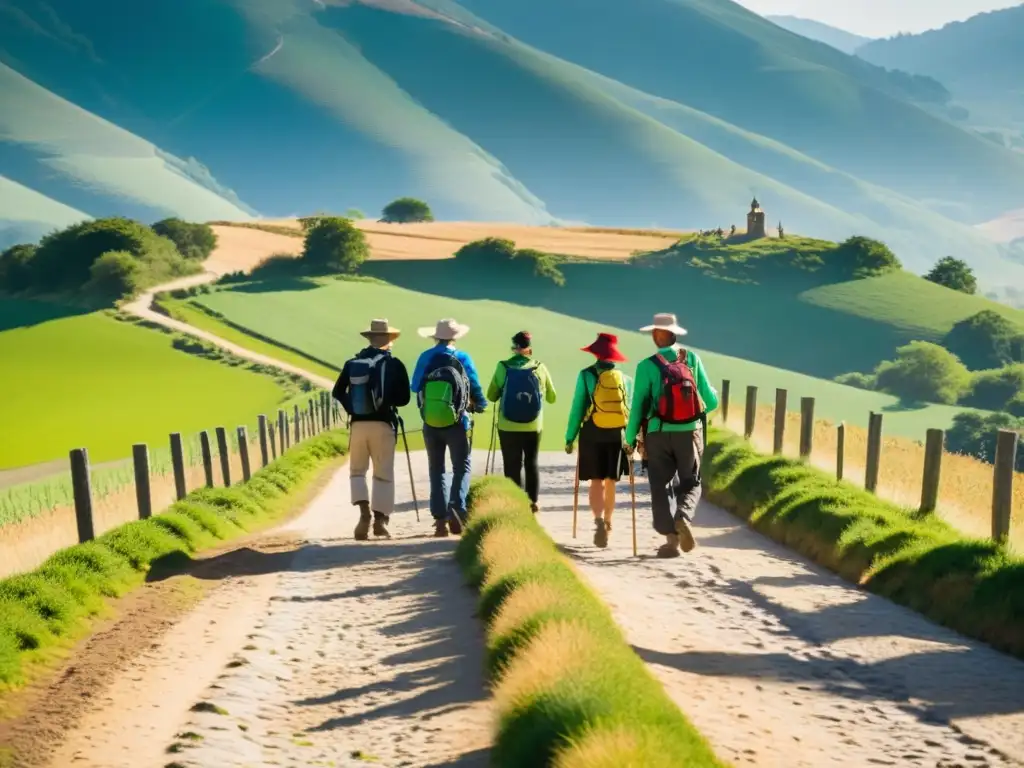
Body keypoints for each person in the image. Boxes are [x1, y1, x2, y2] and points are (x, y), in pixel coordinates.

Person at [625, 313, 719, 559]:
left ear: (656, 336)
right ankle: (683, 518)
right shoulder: (692, 360)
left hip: (657, 434)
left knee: (660, 485)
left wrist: (630, 437)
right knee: (692, 482)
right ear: (675, 333)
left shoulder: (646, 366)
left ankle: (670, 540)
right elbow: (709, 401)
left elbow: (638, 407)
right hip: (689, 433)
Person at [333, 318, 411, 541]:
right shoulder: (394, 364)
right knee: (383, 473)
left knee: (357, 471)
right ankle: (379, 521)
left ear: (369, 338)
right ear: (389, 340)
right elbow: (404, 399)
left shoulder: (353, 363)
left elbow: (338, 391)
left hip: (358, 425)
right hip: (384, 424)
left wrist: (353, 409)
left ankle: (363, 514)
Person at [410, 318, 487, 537]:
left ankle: (440, 520)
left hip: (431, 422)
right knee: (461, 466)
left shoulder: (426, 357)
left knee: (437, 469)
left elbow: (415, 385)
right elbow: (475, 385)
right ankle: (456, 507)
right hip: (457, 422)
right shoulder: (462, 357)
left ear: (435, 336)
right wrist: (480, 404)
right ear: (455, 337)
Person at [564, 332, 633, 549]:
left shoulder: (586, 375)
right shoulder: (625, 379)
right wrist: (632, 439)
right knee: (610, 480)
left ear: (595, 353)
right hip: (617, 433)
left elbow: (577, 408)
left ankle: (598, 521)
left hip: (592, 431)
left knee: (595, 480)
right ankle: (609, 522)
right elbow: (630, 410)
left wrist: (570, 437)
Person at [486, 331, 557, 512]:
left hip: (507, 425)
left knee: (512, 464)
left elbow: (491, 396)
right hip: (533, 425)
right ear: (528, 347)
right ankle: (532, 502)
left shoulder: (503, 367)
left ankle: (515, 502)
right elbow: (552, 397)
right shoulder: (540, 367)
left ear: (514, 347)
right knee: (531, 462)